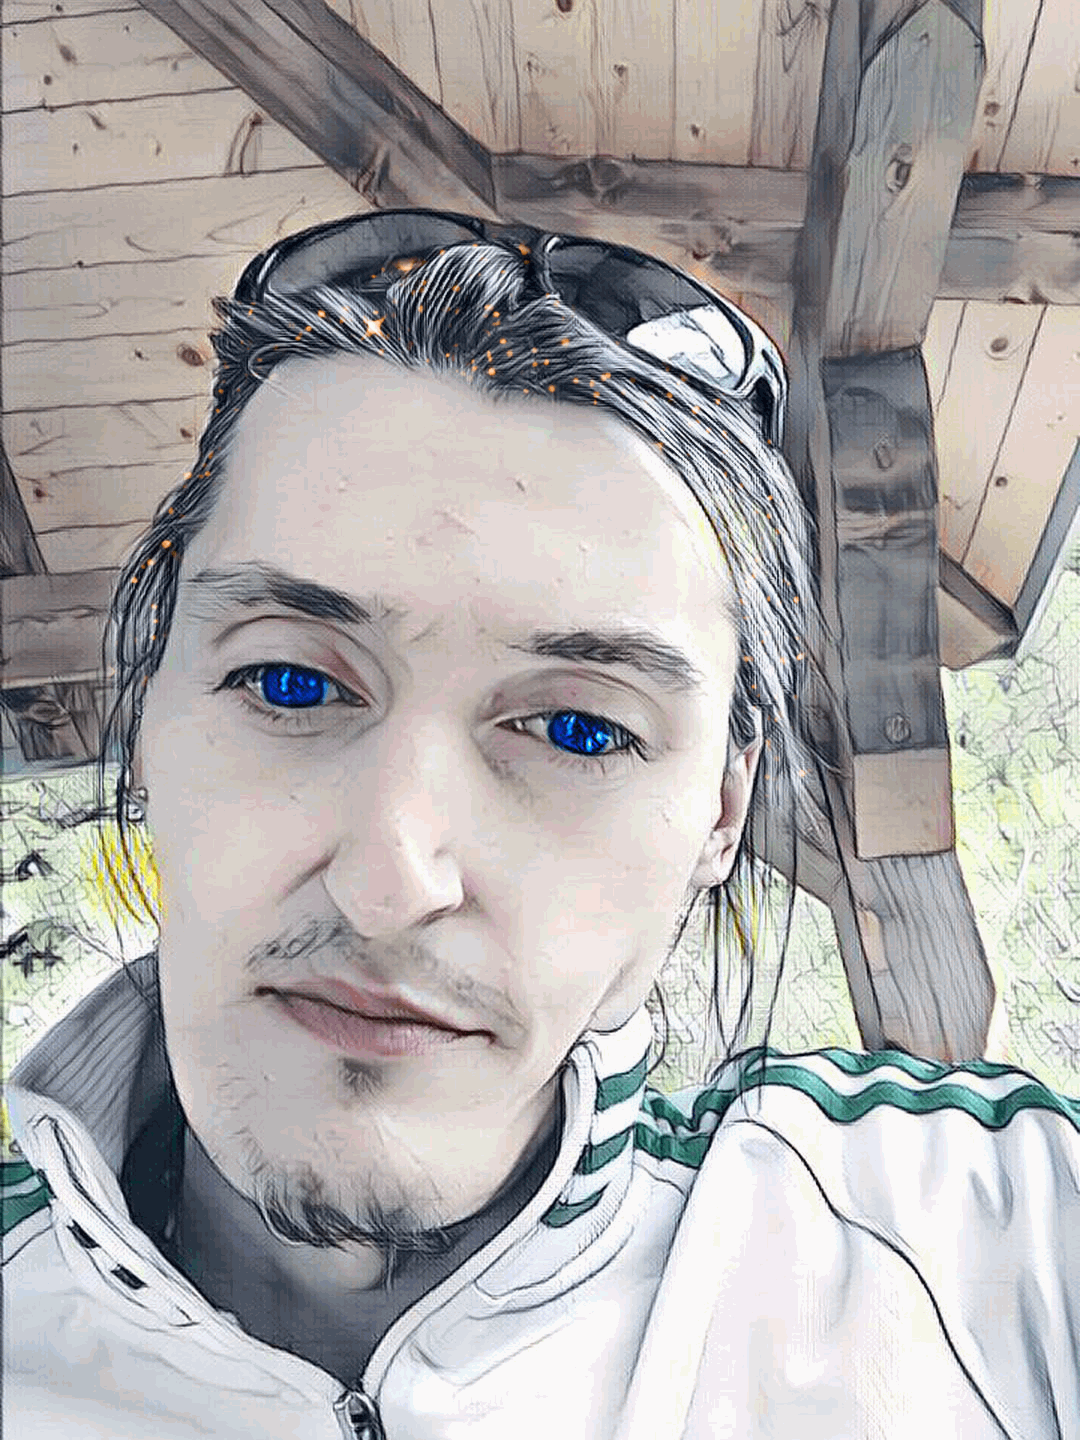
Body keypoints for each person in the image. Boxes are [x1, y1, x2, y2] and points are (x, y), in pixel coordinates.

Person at [3, 209, 1078, 1440]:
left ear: (720, 815)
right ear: (147, 719)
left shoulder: (993, 1253)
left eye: (579, 730)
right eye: (290, 683)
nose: (391, 882)